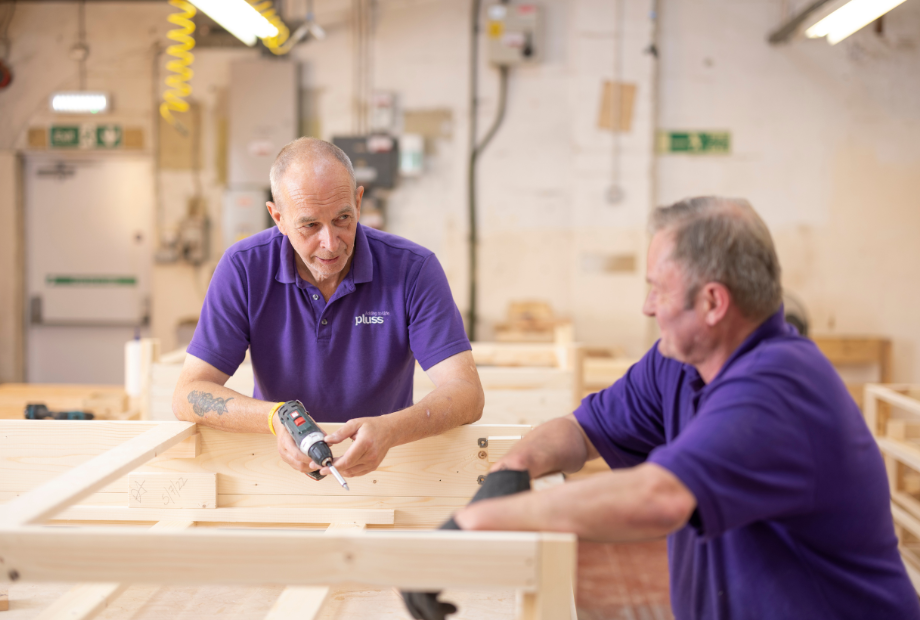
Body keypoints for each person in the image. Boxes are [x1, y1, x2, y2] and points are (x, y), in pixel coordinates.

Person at [452, 196, 920, 619]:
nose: (647, 307)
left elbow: (659, 499)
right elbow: (581, 432)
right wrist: (512, 469)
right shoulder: (679, 362)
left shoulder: (777, 389)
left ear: (713, 301)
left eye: (659, 288)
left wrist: (474, 523)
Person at [173, 138, 483, 480]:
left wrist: (392, 429)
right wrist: (274, 418)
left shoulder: (412, 269)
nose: (331, 243)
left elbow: (466, 393)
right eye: (309, 225)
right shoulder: (244, 268)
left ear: (359, 202)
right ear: (277, 216)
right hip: (274, 472)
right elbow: (188, 394)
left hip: (389, 472)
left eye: (342, 218)